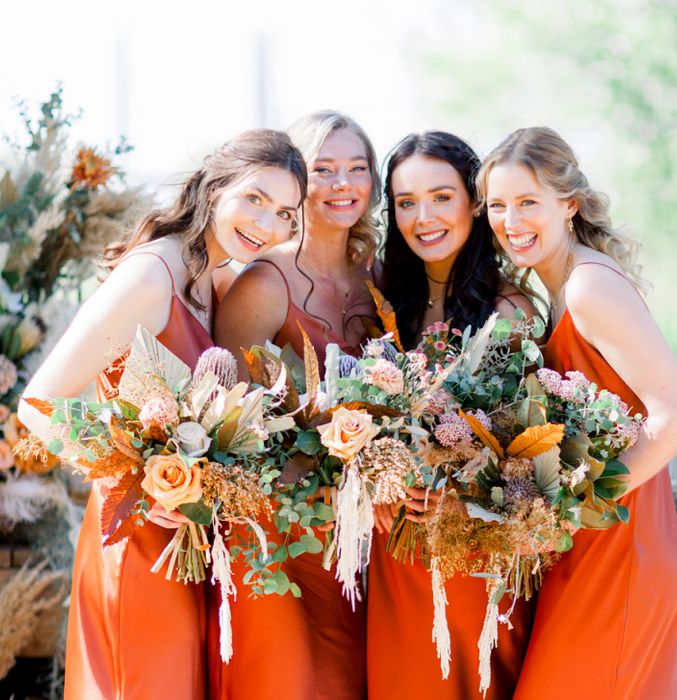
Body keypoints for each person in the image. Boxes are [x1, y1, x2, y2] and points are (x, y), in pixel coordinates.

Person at [18, 129, 307, 700]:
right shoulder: (153, 276)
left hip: (188, 544)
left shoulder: (216, 277)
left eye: (285, 213)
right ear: (215, 184)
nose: (267, 224)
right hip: (138, 537)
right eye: (254, 198)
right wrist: (137, 483)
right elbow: (39, 405)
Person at [479, 126, 677, 699]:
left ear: (569, 204)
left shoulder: (588, 289)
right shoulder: (551, 293)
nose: (511, 220)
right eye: (498, 205)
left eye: (528, 202)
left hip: (621, 546)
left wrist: (572, 510)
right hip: (587, 547)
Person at [210, 110, 380, 700]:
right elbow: (221, 420)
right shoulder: (265, 282)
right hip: (278, 535)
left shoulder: (380, 278)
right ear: (298, 185)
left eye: (357, 169)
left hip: (360, 538)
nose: (342, 184)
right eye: (324, 169)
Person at [367, 131, 537, 700]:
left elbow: (528, 443)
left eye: (441, 197)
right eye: (407, 203)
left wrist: (465, 495)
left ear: (474, 201)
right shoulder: (385, 301)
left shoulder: (509, 309)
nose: (423, 217)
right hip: (398, 553)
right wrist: (379, 484)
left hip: (477, 552)